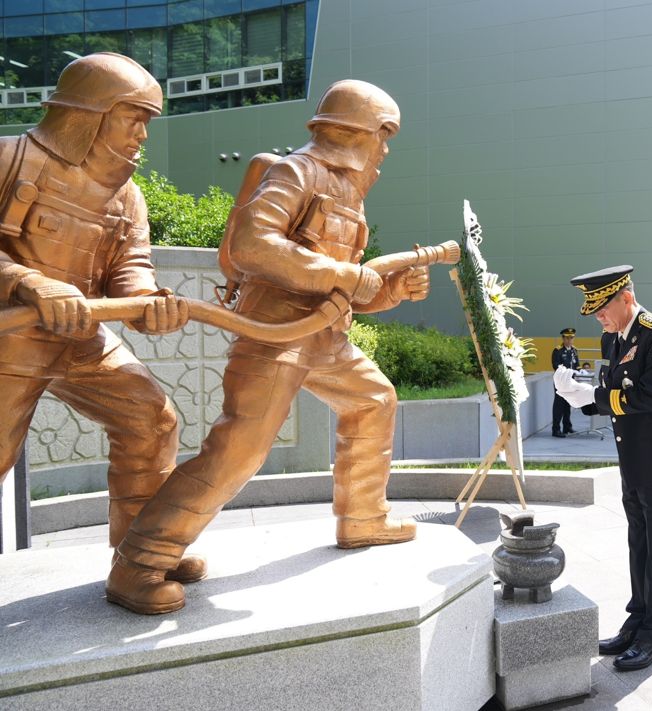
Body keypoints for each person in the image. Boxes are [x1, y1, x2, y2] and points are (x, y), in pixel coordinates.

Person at [107, 79, 429, 614]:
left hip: (323, 337)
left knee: (374, 400)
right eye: (384, 134)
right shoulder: (296, 171)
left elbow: (346, 288)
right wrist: (348, 275)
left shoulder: (349, 193)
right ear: (359, 131)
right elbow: (254, 245)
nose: (386, 149)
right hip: (276, 335)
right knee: (240, 451)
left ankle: (363, 517)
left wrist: (392, 290)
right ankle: (139, 561)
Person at [0, 53, 203, 583]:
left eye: (146, 121)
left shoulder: (128, 196)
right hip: (10, 343)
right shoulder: (8, 160)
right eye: (133, 116)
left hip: (81, 339)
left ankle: (142, 560)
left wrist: (149, 306)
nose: (142, 133)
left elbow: (130, 270)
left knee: (151, 420)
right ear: (91, 112)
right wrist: (30, 282)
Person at [553, 265, 652, 671]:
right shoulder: (613, 338)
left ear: (626, 299)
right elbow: (616, 390)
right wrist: (582, 395)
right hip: (634, 456)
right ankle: (637, 621)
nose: (599, 318)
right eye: (595, 311)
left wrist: (592, 397)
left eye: (603, 309)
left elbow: (647, 397)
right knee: (639, 543)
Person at [551, 327, 579, 437]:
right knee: (559, 405)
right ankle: (556, 429)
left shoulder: (574, 350)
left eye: (571, 338)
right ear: (563, 338)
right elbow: (556, 365)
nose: (569, 340)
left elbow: (577, 364)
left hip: (571, 381)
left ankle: (567, 426)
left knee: (568, 403)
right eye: (567, 338)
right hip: (561, 381)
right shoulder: (557, 350)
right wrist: (568, 371)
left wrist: (580, 370)